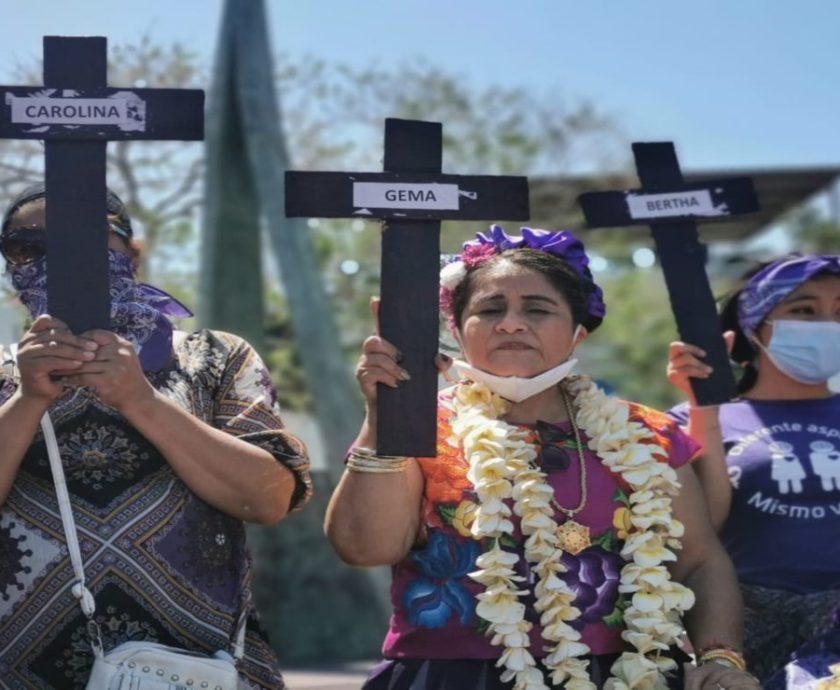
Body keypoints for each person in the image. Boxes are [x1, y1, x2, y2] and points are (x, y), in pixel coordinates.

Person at [326, 225, 758, 690]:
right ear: (457, 329)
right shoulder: (417, 426)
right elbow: (364, 548)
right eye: (490, 309)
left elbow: (698, 561)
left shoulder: (645, 433)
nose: (512, 323)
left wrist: (719, 658)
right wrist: (384, 417)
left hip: (630, 675)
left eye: (537, 309)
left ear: (577, 332)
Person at [0, 184, 312, 690]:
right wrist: (28, 401)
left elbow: (268, 498)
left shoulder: (216, 358)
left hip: (197, 664)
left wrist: (140, 400)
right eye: (28, 246)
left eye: (86, 239)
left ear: (133, 253)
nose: (57, 260)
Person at [667, 254, 840, 683]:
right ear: (755, 325)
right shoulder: (688, 421)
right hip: (743, 634)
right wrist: (703, 408)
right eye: (803, 310)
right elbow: (700, 530)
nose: (827, 324)